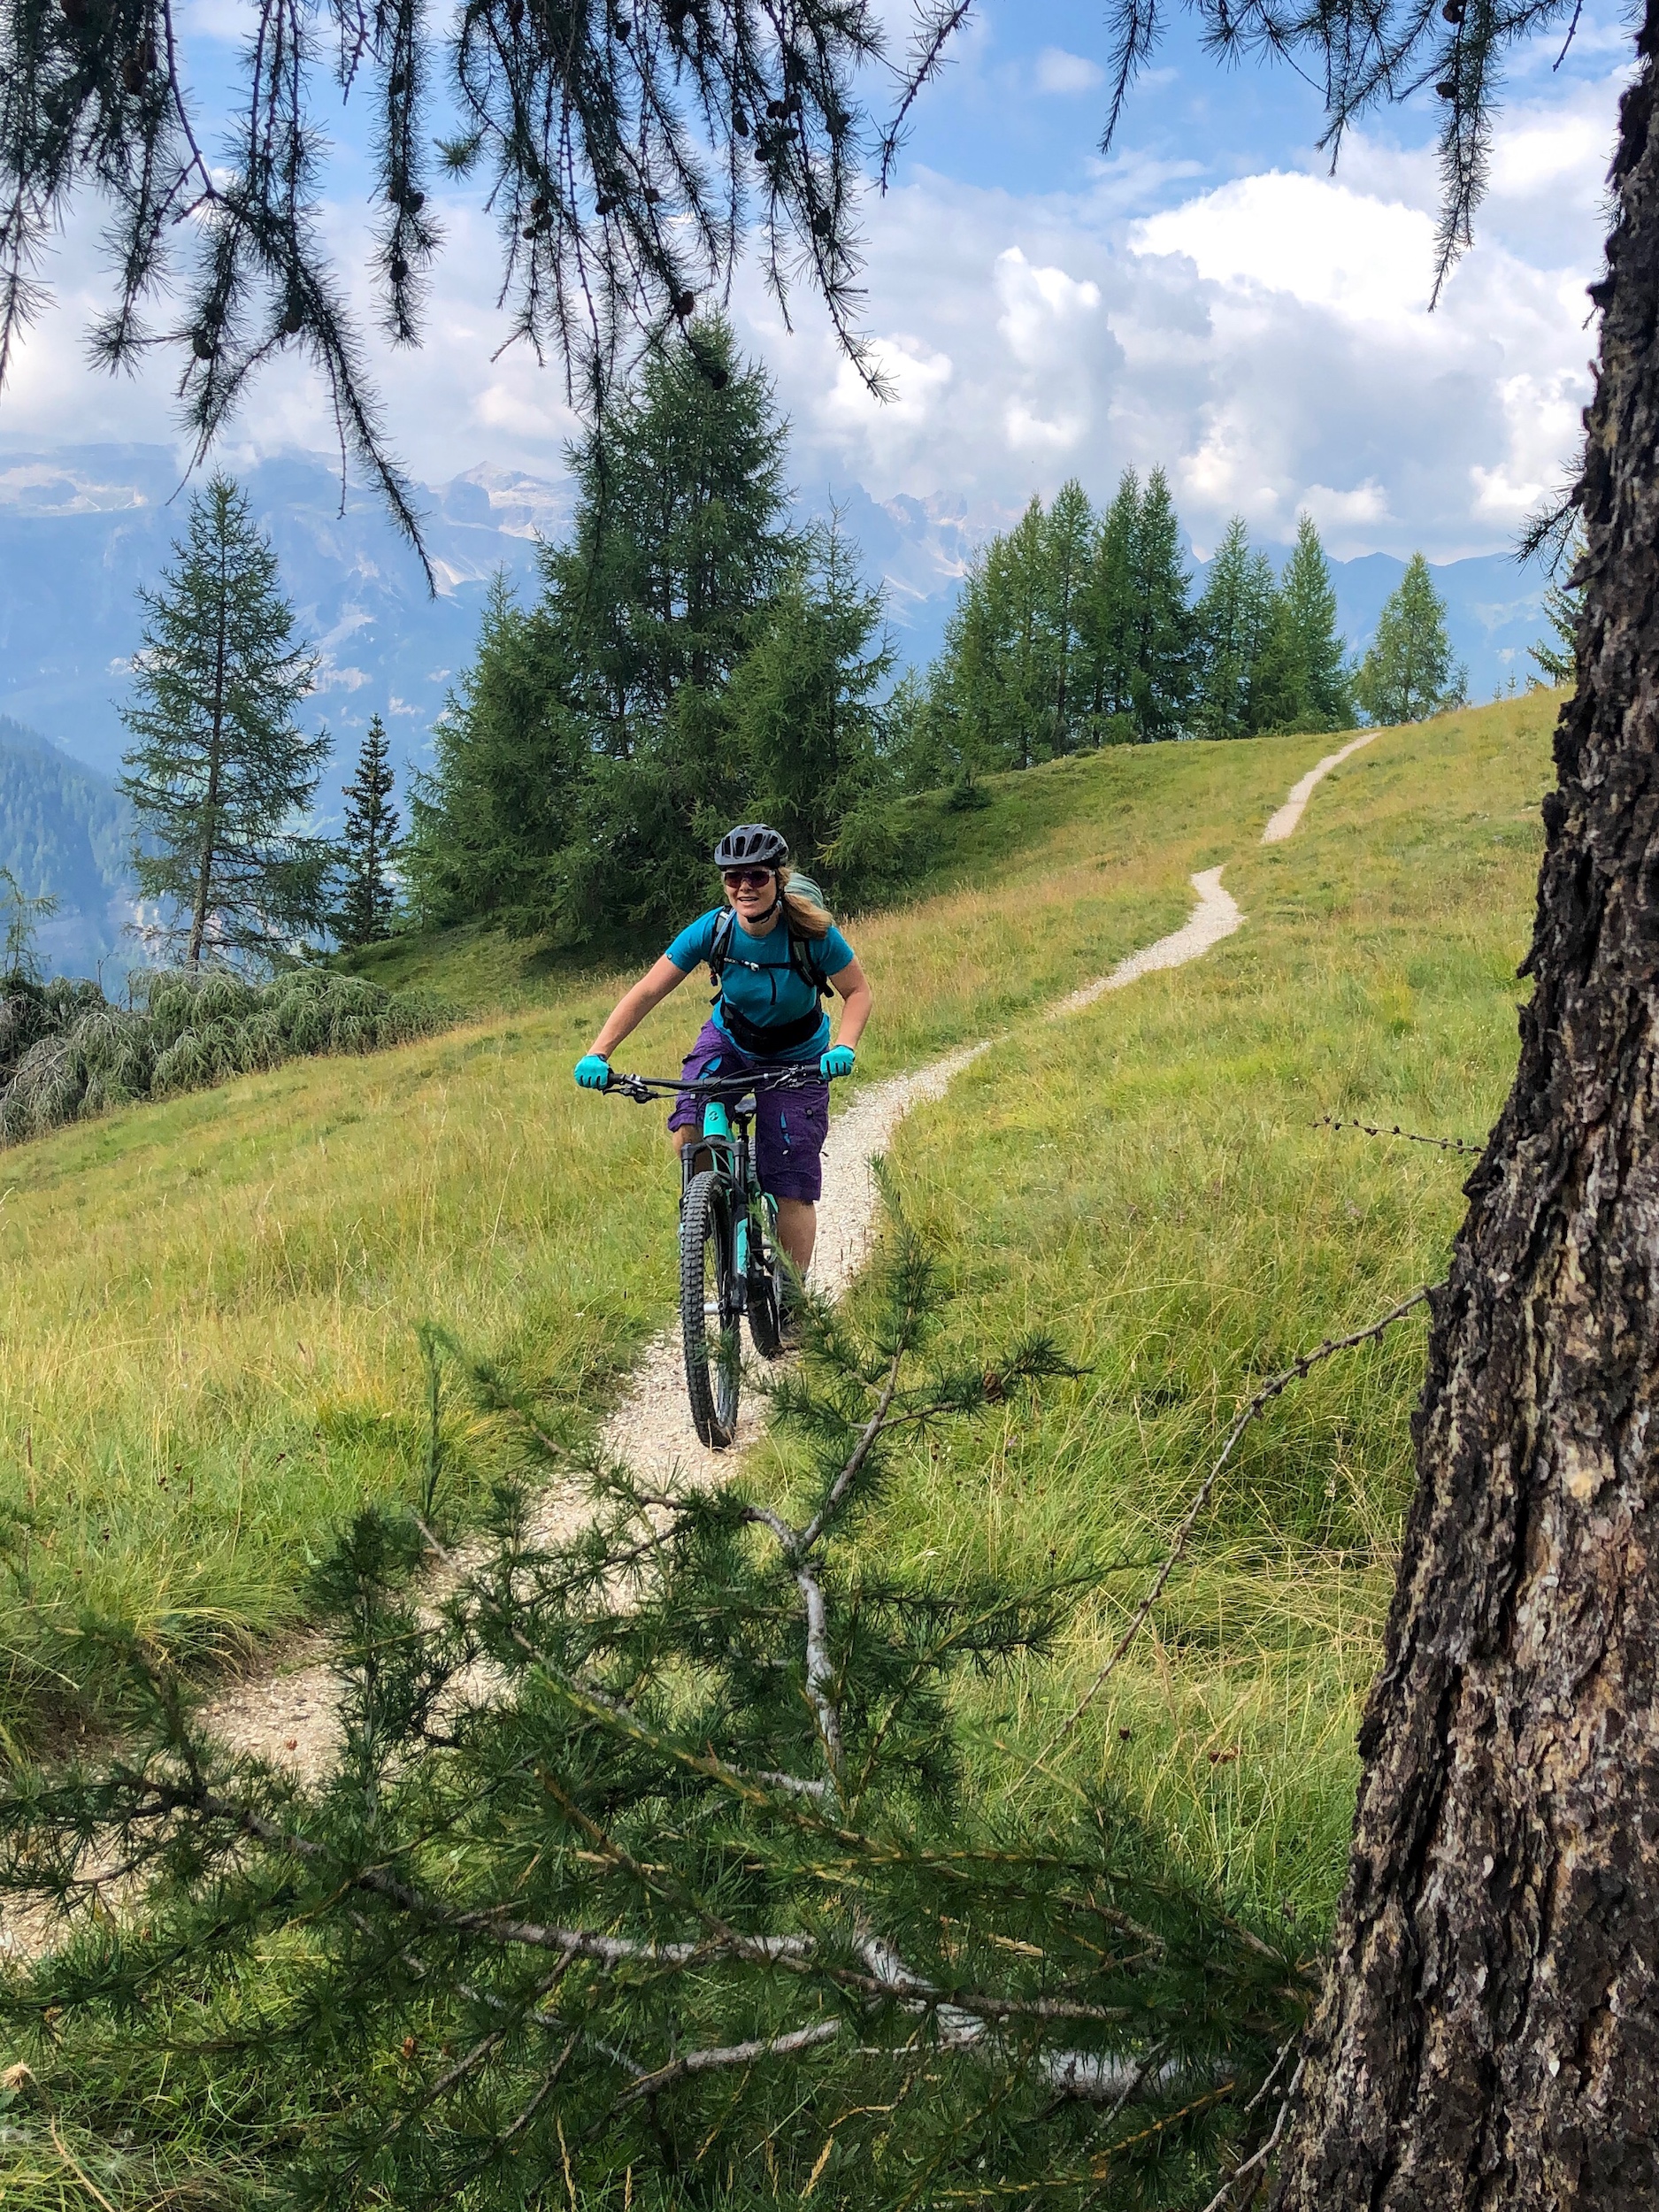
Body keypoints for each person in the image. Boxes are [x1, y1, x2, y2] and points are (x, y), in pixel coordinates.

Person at [572, 824, 872, 1278]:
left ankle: (792, 1297)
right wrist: (599, 1052)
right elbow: (648, 990)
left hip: (799, 1057)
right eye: (733, 877)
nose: (744, 887)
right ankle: (710, 1211)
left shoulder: (813, 934)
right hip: (730, 1041)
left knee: (789, 1182)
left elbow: (857, 992)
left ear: (778, 879)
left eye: (756, 876)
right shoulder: (713, 930)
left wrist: (844, 1047)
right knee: (688, 1125)